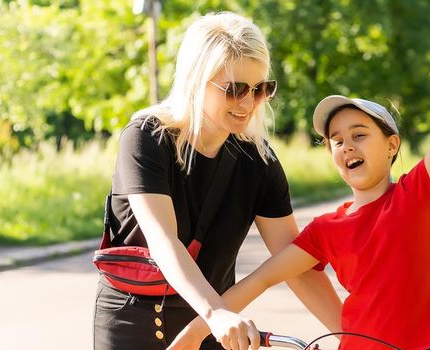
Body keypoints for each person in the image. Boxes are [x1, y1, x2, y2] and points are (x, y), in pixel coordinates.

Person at [171, 5, 430, 350]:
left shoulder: (415, 194)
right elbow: (261, 278)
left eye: (359, 135)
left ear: (391, 145)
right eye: (336, 141)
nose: (347, 146)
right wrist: (196, 331)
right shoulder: (326, 230)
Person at [93, 12, 341, 350]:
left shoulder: (258, 161)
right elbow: (165, 243)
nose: (248, 103)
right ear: (197, 80)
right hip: (133, 322)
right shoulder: (146, 138)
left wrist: (353, 334)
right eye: (235, 89)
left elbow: (293, 261)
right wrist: (217, 312)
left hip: (215, 329)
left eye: (260, 89)